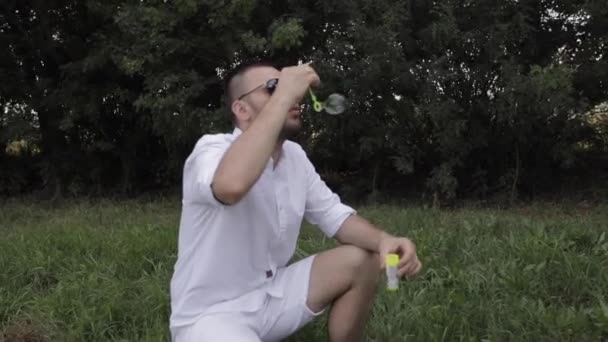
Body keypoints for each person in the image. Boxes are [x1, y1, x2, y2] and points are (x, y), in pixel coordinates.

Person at [169, 61, 422, 342]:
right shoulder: (211, 150)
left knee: (362, 258)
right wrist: (285, 95)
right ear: (241, 110)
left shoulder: (294, 157)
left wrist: (385, 240)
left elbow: (334, 215)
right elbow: (230, 186)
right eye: (273, 89)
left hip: (272, 294)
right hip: (210, 316)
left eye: (286, 87)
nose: (292, 96)